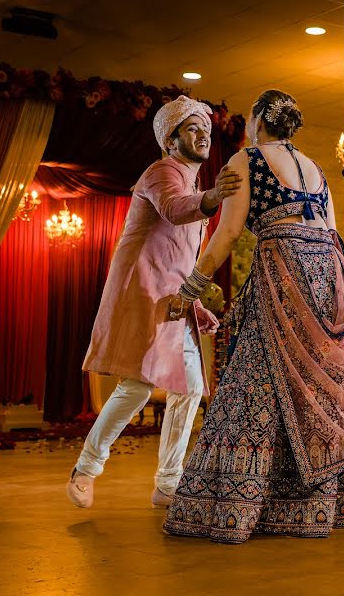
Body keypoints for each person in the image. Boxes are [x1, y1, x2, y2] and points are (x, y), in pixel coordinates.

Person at [162, 90, 344, 543]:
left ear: (257, 120)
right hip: (332, 276)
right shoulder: (316, 169)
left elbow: (228, 231)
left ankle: (242, 503)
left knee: (260, 379)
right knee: (329, 383)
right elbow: (332, 233)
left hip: (286, 272)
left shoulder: (245, 160)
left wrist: (190, 288)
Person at [67, 96, 239, 509]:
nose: (203, 135)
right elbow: (175, 209)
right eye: (192, 129)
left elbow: (179, 263)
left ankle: (168, 483)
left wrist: (195, 305)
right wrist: (214, 197)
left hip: (171, 301)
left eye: (206, 130)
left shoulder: (192, 185)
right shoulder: (162, 172)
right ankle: (87, 467)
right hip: (142, 293)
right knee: (139, 385)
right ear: (170, 139)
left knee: (191, 388)